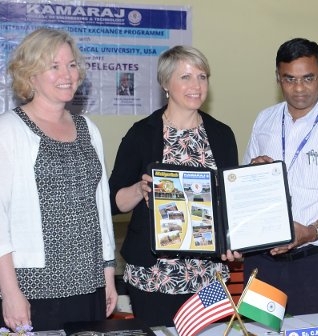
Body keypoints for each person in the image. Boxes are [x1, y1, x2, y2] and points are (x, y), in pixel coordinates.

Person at [0, 28, 117, 332]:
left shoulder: (88, 129)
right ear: (30, 74)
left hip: (89, 284)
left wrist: (108, 275)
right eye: (53, 66)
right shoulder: (6, 131)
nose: (67, 74)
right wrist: (11, 292)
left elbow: (100, 208)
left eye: (71, 65)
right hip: (31, 288)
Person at [109, 45, 239, 327]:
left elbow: (230, 204)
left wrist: (234, 241)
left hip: (208, 274)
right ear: (165, 83)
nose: (196, 85)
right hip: (156, 276)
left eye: (202, 77)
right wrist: (138, 190)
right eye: (185, 77)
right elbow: (111, 202)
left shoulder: (222, 135)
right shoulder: (141, 134)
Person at [243, 38, 318, 315]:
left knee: (315, 332)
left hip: (314, 263)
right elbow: (244, 184)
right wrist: (255, 171)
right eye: (289, 79)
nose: (299, 88)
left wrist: (311, 231)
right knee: (258, 331)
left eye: (308, 78)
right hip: (262, 261)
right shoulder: (264, 120)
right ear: (278, 78)